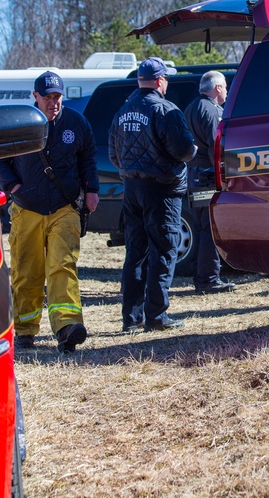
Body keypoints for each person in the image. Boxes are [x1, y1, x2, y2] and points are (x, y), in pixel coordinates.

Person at [0, 71, 99, 353]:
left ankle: (67, 326)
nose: (53, 102)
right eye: (48, 97)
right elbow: (0, 157)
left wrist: (92, 191)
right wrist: (13, 186)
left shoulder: (77, 123)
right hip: (27, 208)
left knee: (62, 265)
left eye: (57, 97)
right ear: (35, 97)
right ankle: (25, 329)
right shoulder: (21, 124)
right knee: (27, 271)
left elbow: (88, 157)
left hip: (64, 208)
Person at [109, 57, 196, 332]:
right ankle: (156, 316)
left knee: (136, 252)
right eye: (166, 78)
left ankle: (131, 318)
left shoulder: (122, 111)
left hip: (131, 189)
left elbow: (114, 154)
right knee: (164, 250)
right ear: (159, 81)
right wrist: (192, 153)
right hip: (162, 190)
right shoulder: (165, 109)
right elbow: (183, 149)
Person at [183, 70, 235, 294]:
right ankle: (208, 279)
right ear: (217, 88)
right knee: (210, 228)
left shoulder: (191, 107)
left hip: (193, 174)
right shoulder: (212, 110)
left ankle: (203, 275)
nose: (226, 90)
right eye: (224, 86)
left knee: (201, 226)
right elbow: (217, 146)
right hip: (207, 175)